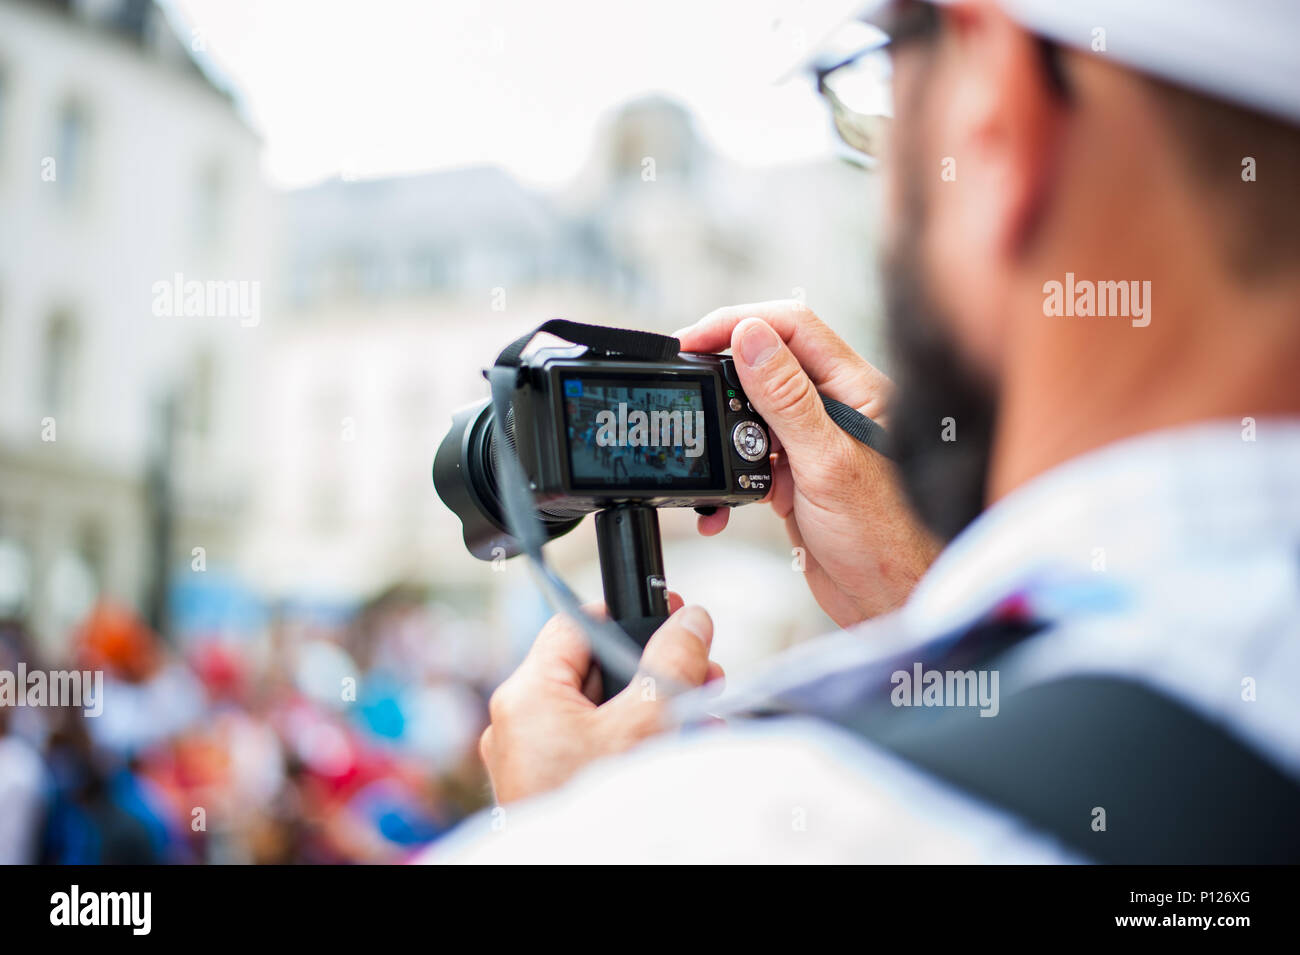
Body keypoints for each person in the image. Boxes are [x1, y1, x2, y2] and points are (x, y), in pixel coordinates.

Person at [426, 0, 1300, 862]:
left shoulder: (740, 830)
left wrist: (573, 834)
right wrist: (940, 602)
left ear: (992, 110)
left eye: (870, 101)